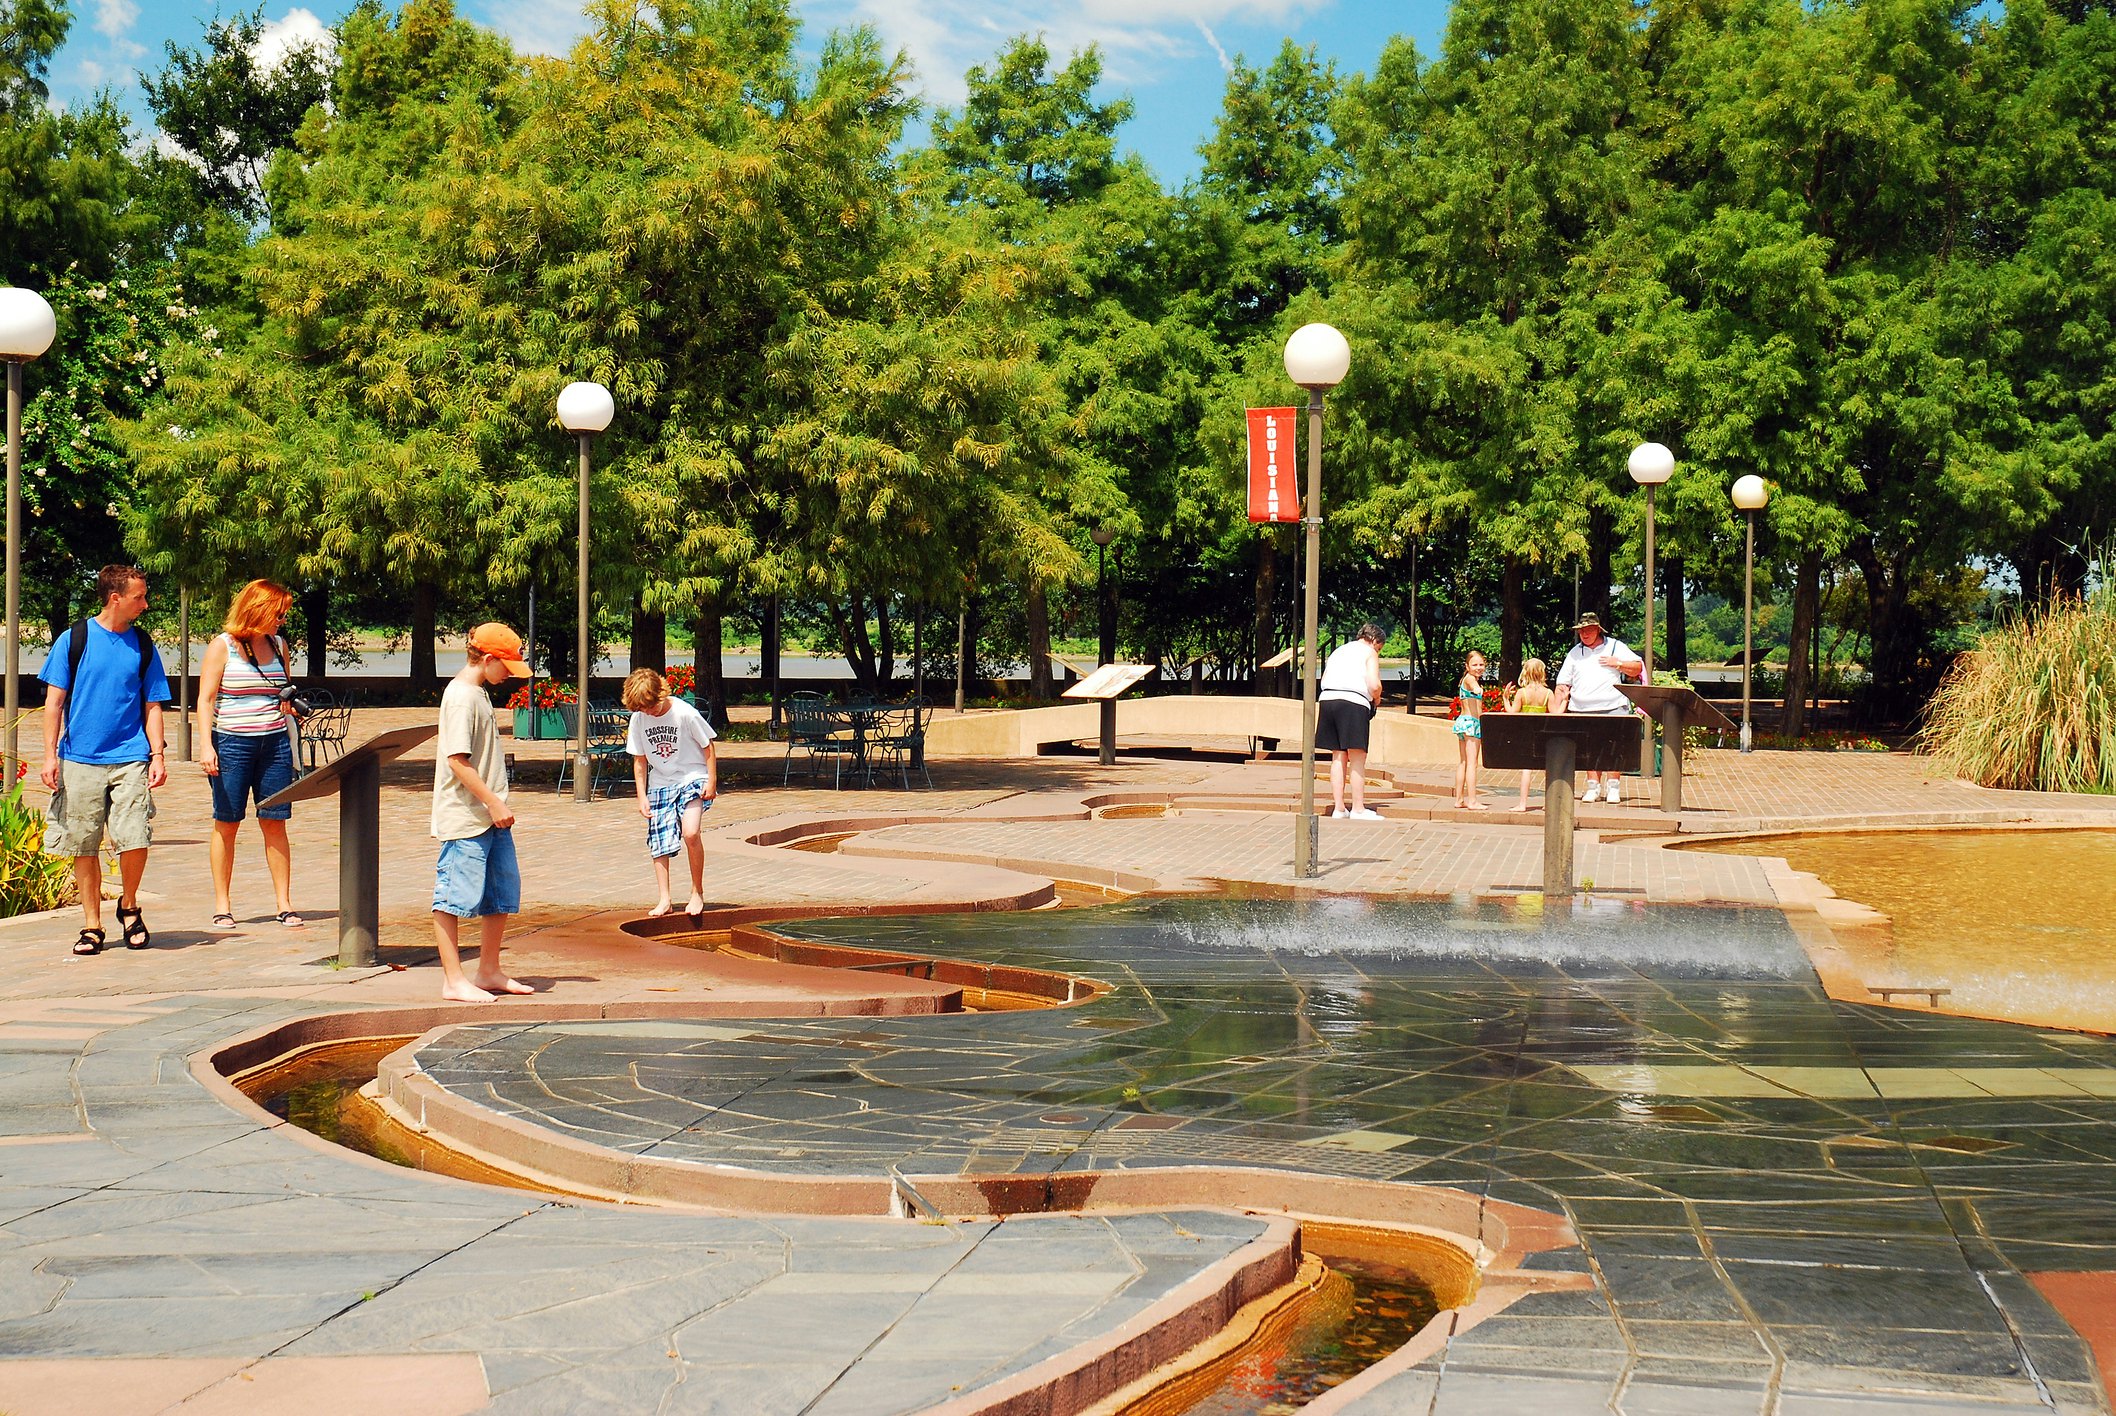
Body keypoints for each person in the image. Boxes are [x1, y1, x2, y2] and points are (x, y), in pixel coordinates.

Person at [39, 565, 171, 956]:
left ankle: (129, 906)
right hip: (79, 758)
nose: (145, 604)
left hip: (131, 756)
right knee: (84, 842)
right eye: (139, 597)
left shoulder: (143, 645)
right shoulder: (74, 639)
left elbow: (153, 704)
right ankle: (91, 925)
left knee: (135, 837)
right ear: (116, 598)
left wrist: (159, 754)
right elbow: (54, 703)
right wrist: (49, 755)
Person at [430, 623, 538, 1002]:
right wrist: (492, 801)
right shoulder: (461, 697)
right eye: (506, 667)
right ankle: (453, 979)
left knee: (501, 892)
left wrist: (495, 804)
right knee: (453, 896)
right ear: (488, 658)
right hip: (467, 815)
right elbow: (457, 761)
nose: (510, 675)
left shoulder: (476, 693)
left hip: (490, 814)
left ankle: (488, 968)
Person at [197, 580, 302, 931]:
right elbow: (206, 699)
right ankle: (222, 905)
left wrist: (290, 708)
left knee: (275, 820)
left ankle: (284, 904)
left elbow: (281, 692)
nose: (282, 620)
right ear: (258, 609)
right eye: (279, 612)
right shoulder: (222, 646)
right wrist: (206, 746)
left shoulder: (279, 644)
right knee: (227, 823)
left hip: (274, 743)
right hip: (232, 742)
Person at [622, 667, 719, 917]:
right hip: (660, 782)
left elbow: (708, 746)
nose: (648, 712)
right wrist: (641, 796)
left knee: (691, 832)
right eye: (642, 709)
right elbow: (640, 760)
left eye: (651, 706)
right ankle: (664, 898)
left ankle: (697, 891)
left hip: (693, 776)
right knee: (660, 841)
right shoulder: (639, 719)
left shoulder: (684, 713)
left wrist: (712, 781)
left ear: (661, 693)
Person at [1553, 612, 1644, 803]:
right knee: (1589, 749)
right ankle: (1593, 787)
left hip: (1613, 705)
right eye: (1581, 631)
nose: (1584, 634)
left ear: (1598, 629)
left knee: (1614, 747)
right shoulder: (1575, 653)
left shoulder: (1614, 646)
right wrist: (1557, 708)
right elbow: (1562, 684)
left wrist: (1618, 664)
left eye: (1588, 630)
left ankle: (1613, 787)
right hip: (1581, 708)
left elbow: (1637, 667)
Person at [1315, 623, 1386, 820]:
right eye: (1379, 648)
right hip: (1353, 702)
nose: (1377, 651)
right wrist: (1377, 698)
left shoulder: (1340, 650)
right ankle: (1358, 808)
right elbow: (1374, 685)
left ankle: (1339, 808)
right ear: (1374, 641)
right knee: (1357, 756)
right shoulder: (1369, 652)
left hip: (1328, 700)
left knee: (1338, 756)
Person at [1503, 658, 1554, 812]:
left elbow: (1512, 712)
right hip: (1542, 733)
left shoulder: (1522, 693)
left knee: (1526, 769)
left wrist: (1506, 698)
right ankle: (1548, 802)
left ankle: (1522, 803)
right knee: (1548, 769)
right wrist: (1564, 700)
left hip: (1526, 733)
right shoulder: (1547, 693)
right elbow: (1556, 713)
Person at [1452, 649, 1491, 809]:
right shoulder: (1469, 679)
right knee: (1472, 764)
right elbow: (1475, 687)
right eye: (1474, 664)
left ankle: (1459, 799)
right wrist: (1478, 690)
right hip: (1471, 724)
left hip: (1463, 722)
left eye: (1481, 664)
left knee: (1463, 762)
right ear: (1467, 666)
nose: (1478, 667)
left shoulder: (1466, 679)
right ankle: (1472, 800)